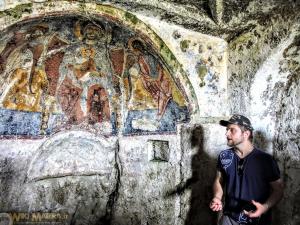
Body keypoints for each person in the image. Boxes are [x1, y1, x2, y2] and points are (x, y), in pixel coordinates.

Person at [209, 114, 283, 225]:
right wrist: (217, 197)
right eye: (227, 129)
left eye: (232, 130)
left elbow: (278, 189)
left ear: (246, 134)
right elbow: (219, 180)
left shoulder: (265, 160)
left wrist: (264, 207)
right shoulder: (224, 156)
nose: (227, 133)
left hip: (257, 220)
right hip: (229, 218)